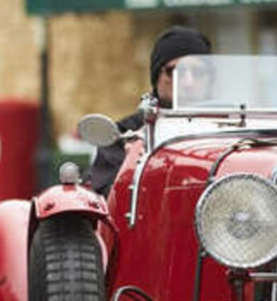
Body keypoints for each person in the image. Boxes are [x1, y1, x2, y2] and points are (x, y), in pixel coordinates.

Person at [88, 26, 211, 194]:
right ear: (156, 78)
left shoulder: (233, 126)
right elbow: (105, 195)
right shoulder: (126, 132)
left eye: (198, 71)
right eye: (174, 71)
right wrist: (131, 166)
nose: (188, 82)